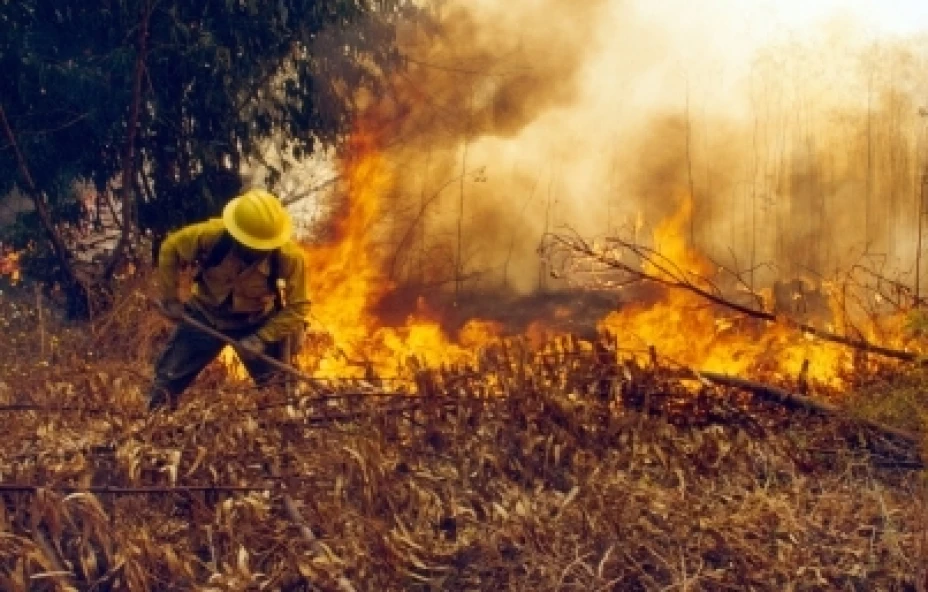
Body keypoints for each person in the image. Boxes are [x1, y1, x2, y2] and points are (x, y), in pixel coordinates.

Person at [149, 188, 310, 411]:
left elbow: (299, 307)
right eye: (251, 245)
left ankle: (284, 431)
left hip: (256, 321)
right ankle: (152, 428)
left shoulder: (289, 257)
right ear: (236, 235)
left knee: (279, 394)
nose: (256, 250)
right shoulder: (210, 236)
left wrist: (262, 338)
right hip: (205, 316)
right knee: (166, 382)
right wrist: (171, 299)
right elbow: (170, 248)